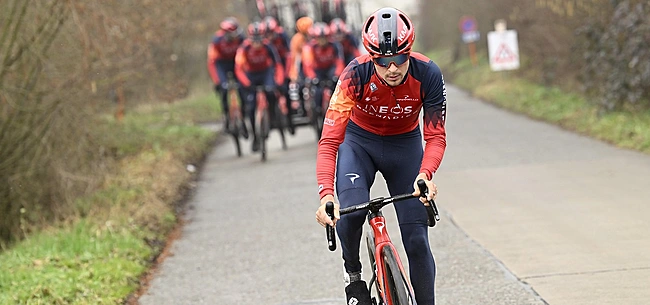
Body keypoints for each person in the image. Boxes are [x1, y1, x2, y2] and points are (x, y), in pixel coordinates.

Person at [314, 7, 447, 305]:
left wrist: (425, 175)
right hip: (359, 145)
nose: (392, 69)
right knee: (352, 210)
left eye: (400, 59)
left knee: (416, 240)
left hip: (406, 147)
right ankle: (354, 277)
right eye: (382, 61)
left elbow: (436, 136)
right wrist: (326, 195)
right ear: (371, 57)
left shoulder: (428, 74)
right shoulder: (354, 75)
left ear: (409, 52)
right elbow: (329, 141)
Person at [234, 21, 285, 152]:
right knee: (250, 106)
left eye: (260, 40)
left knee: (271, 92)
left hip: (265, 73)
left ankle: (272, 116)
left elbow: (278, 65)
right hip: (250, 75)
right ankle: (255, 136)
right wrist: (246, 84)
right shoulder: (244, 48)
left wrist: (278, 82)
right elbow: (239, 68)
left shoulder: (268, 47)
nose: (257, 43)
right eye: (254, 40)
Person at [207, 17, 246, 130]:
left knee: (242, 88)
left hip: (236, 63)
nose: (236, 36)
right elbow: (212, 62)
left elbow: (245, 57)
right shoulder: (217, 40)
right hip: (222, 65)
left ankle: (243, 114)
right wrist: (217, 81)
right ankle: (226, 115)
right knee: (223, 89)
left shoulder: (241, 38)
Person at [301, 22, 345, 114]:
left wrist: (337, 75)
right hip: (318, 71)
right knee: (317, 91)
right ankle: (318, 111)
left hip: (330, 69)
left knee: (337, 89)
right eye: (320, 38)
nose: (322, 41)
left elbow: (339, 62)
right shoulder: (311, 47)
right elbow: (308, 64)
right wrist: (313, 77)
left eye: (324, 38)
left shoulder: (335, 45)